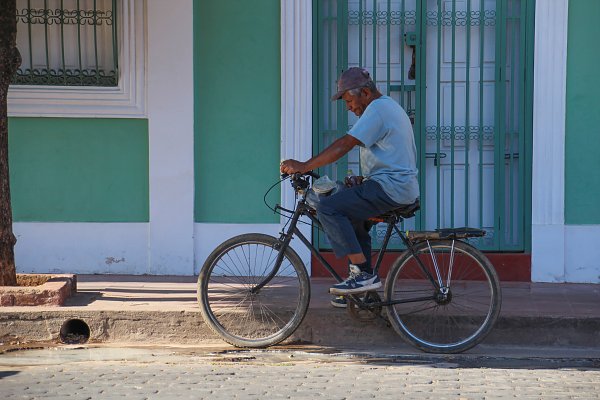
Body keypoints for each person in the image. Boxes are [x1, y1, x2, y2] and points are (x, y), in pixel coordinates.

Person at [280, 67, 419, 306]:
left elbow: (345, 144)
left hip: (392, 187)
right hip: (393, 185)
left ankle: (364, 276)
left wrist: (303, 165)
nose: (348, 107)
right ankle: (363, 288)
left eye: (349, 100)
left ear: (364, 92)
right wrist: (363, 180)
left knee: (328, 208)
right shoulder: (384, 107)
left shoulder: (378, 109)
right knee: (350, 211)